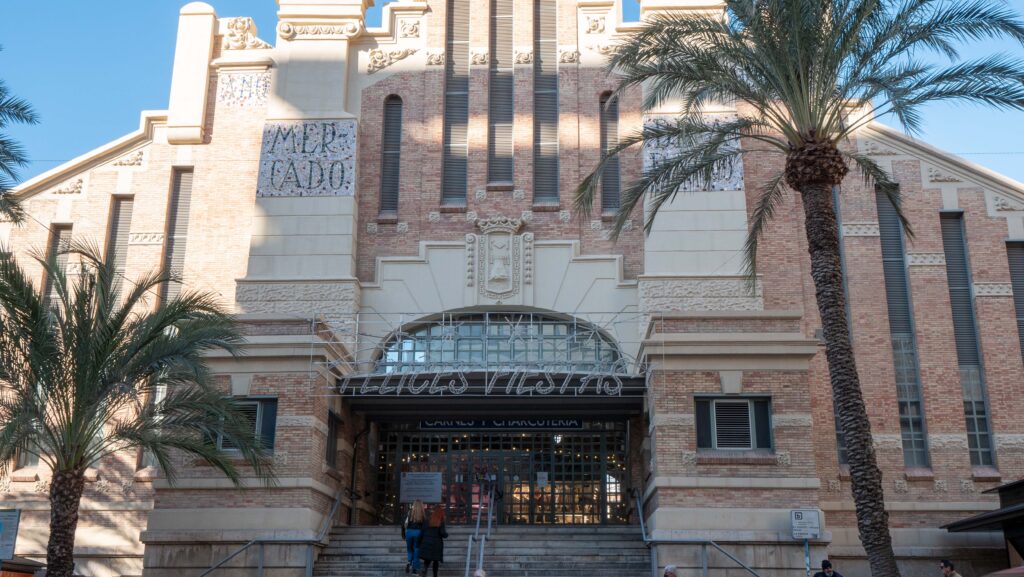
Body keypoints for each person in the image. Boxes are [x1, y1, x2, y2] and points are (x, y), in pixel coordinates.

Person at [418, 506, 449, 577]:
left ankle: (425, 569)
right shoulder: (440, 521)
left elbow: (422, 532)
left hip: (427, 542)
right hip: (436, 544)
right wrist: (446, 535)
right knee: (435, 560)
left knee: (427, 559)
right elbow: (442, 533)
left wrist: (419, 542)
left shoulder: (427, 521)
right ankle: (435, 575)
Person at [402, 500, 426, 574]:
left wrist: (404, 533)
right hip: (417, 533)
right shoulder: (422, 514)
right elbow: (424, 526)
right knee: (416, 550)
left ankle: (409, 562)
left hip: (409, 532)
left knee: (409, 549)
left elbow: (405, 524)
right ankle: (414, 571)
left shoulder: (409, 513)